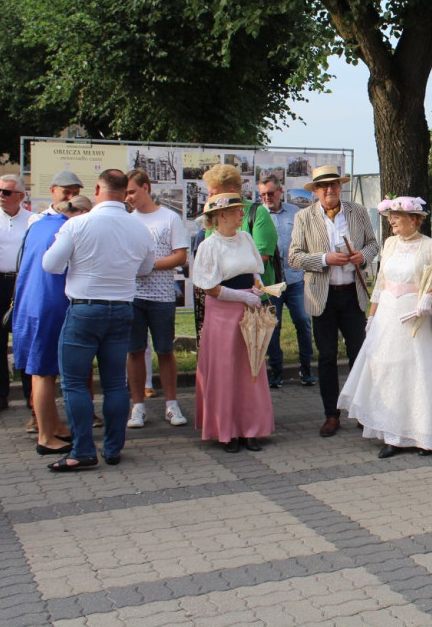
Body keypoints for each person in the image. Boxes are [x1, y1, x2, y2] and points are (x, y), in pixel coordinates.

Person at [41, 169, 154, 471]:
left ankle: (82, 450)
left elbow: (50, 265)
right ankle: (113, 449)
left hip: (85, 308)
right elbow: (145, 267)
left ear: (98, 189)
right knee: (116, 383)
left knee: (75, 383)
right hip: (121, 308)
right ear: (124, 191)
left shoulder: (78, 223)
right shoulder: (139, 228)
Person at [338, 196, 432, 458]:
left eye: (396, 216)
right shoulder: (389, 244)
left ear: (414, 219)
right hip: (389, 318)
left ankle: (423, 434)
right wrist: (372, 317)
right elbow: (380, 283)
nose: (391, 220)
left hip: (415, 316)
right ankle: (392, 435)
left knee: (417, 372)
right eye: (389, 215)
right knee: (388, 371)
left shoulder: (431, 246)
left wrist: (430, 298)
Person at [288, 166, 379, 437]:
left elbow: (373, 244)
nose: (330, 190)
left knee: (358, 355)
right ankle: (331, 414)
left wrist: (362, 255)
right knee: (327, 357)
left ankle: (362, 411)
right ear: (315, 191)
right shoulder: (304, 217)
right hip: (321, 297)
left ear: (341, 187)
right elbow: (294, 257)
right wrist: (325, 258)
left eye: (334, 184)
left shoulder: (358, 212)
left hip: (352, 294)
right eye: (324, 186)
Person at [192, 192, 274, 451]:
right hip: (223, 314)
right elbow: (209, 287)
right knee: (225, 370)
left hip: (249, 310)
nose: (242, 213)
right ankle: (226, 430)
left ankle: (250, 428)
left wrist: (258, 288)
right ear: (221, 215)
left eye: (241, 209)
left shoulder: (246, 238)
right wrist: (240, 296)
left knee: (250, 368)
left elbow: (253, 272)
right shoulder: (209, 245)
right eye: (237, 210)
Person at [12, 195, 92, 454]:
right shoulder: (65, 228)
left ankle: (54, 425)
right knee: (44, 372)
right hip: (49, 304)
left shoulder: (39, 224)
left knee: (40, 371)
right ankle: (46, 437)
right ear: (79, 214)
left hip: (29, 304)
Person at [125, 169, 190, 429]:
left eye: (132, 191)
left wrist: (148, 265)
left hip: (162, 297)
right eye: (125, 193)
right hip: (132, 296)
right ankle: (137, 406)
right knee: (135, 351)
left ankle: (172, 404)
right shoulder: (126, 220)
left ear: (146, 187)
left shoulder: (170, 218)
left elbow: (180, 256)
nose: (128, 197)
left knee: (165, 350)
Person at [258, 175, 314, 388]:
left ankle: (306, 367)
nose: (266, 198)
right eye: (262, 194)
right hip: (271, 282)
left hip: (295, 279)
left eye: (270, 193)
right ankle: (276, 371)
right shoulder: (259, 214)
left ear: (280, 191)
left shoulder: (296, 213)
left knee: (303, 321)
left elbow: (307, 243)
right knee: (272, 325)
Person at [0, 174, 33, 416]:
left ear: (20, 195)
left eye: (6, 192)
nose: (0, 196)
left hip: (23, 283)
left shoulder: (32, 220)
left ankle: (31, 394)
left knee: (24, 340)